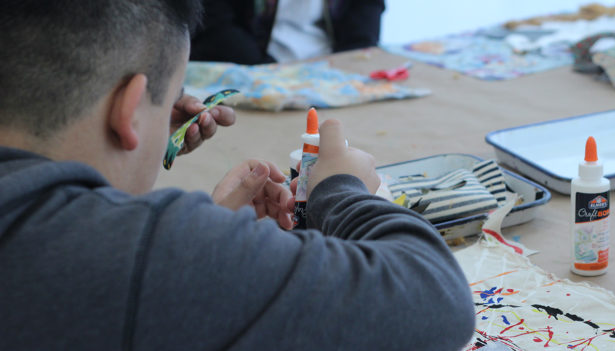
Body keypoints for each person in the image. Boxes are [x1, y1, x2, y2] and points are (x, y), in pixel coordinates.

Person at [0, 0, 475, 350]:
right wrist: (341, 191)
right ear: (128, 109)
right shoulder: (142, 253)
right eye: (168, 99)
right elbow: (434, 301)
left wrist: (144, 133)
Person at [190, 0, 385, 64]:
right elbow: (216, 28)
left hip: (328, 65)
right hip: (250, 64)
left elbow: (365, 11)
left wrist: (350, 61)